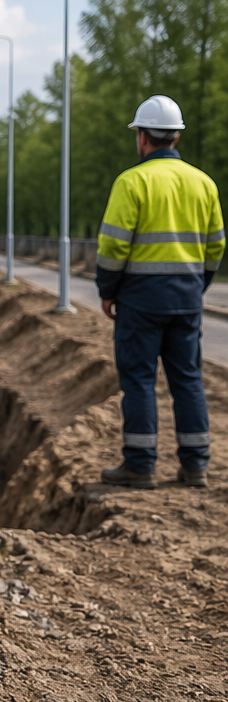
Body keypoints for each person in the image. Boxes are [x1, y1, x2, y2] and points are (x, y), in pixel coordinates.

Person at [96, 94, 223, 489]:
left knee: (138, 380)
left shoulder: (132, 182)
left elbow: (113, 245)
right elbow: (216, 245)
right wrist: (197, 285)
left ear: (142, 137)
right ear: (176, 137)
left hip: (140, 301)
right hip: (187, 299)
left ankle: (140, 465)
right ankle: (195, 466)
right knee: (188, 379)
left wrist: (107, 290)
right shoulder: (204, 183)